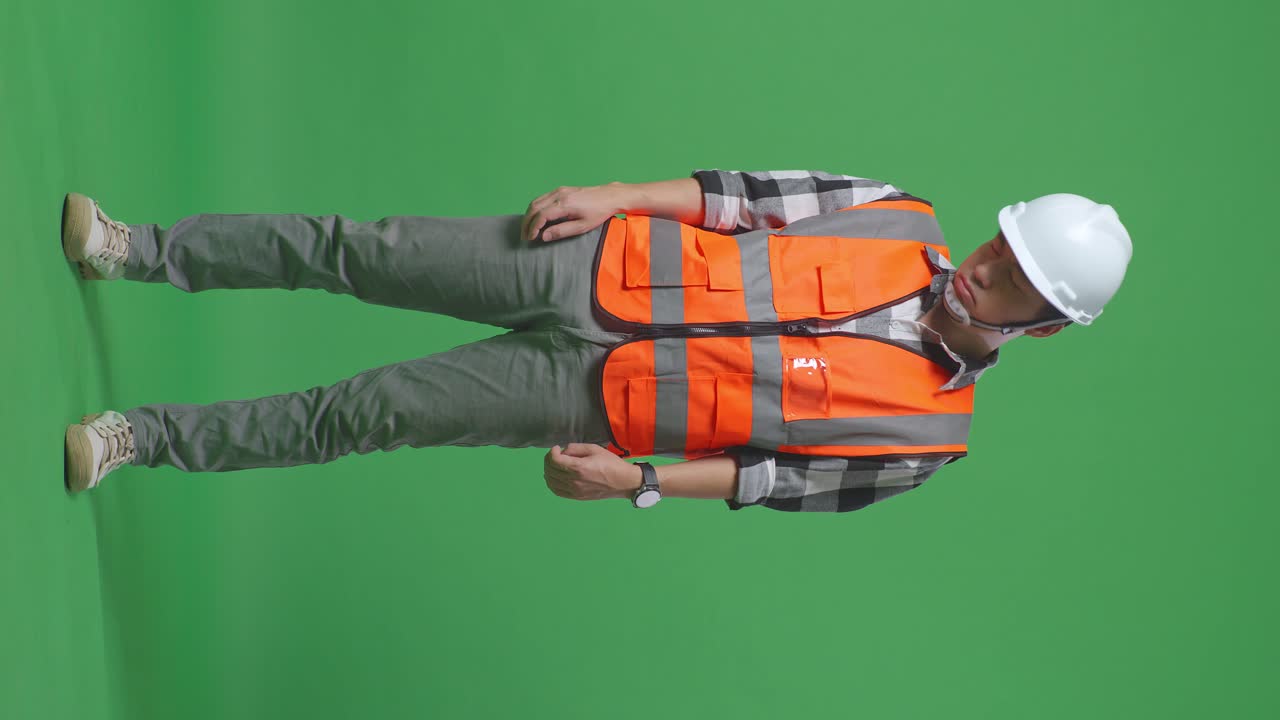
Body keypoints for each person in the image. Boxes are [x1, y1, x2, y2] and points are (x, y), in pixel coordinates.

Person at [61, 170, 1132, 512]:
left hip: (593, 396)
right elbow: (739, 196)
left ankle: (141, 439)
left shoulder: (924, 442)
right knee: (360, 249)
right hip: (594, 259)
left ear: (1040, 326)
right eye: (999, 245)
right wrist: (614, 193)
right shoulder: (895, 213)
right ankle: (136, 248)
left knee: (369, 412)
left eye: (1014, 279)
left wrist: (640, 483)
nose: (984, 267)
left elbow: (769, 480)